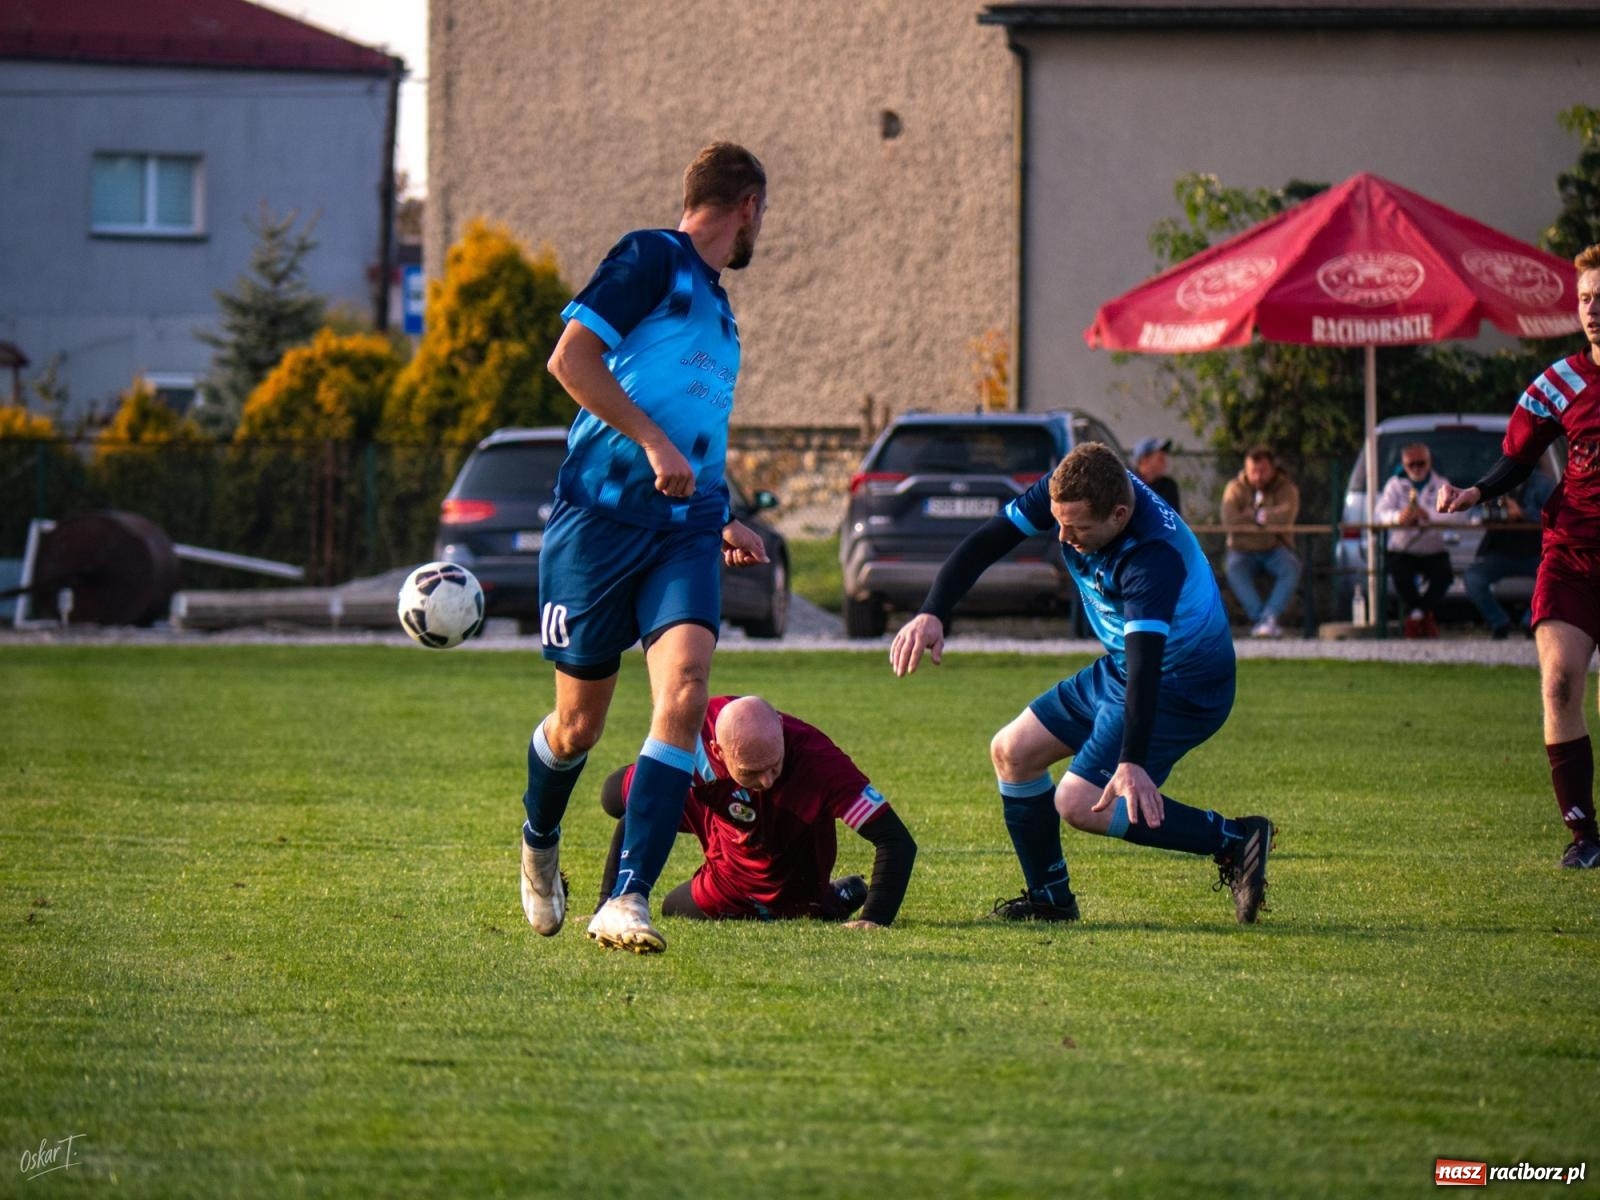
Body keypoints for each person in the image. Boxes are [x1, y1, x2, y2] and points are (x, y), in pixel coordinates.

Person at [518, 143, 772, 955]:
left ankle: (626, 899)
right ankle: (540, 838)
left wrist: (720, 507)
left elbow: (700, 424)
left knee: (688, 691)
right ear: (748, 206)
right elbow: (571, 359)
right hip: (596, 521)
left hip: (684, 530)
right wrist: (655, 445)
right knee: (577, 728)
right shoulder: (649, 255)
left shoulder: (722, 311)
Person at [889, 442, 1275, 925]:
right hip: (1123, 668)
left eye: (1078, 529)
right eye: (1058, 523)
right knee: (1012, 751)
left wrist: (1132, 761)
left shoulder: (1151, 557)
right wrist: (932, 611)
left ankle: (1236, 840)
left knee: (1079, 802)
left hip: (1183, 686)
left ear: (1118, 514)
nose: (1064, 536)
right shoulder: (1073, 485)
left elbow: (1148, 664)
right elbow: (988, 540)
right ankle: (1050, 899)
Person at [1438, 242, 1600, 869]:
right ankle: (1585, 837)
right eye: (1585, 298)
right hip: (1573, 555)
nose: (1592, 309)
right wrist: (1475, 490)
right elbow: (1519, 458)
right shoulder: (1560, 380)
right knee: (1559, 682)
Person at [595, 695, 917, 927]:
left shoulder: (818, 762)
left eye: (774, 765)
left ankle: (832, 900)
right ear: (717, 751)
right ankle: (614, 904)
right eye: (752, 771)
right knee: (615, 795)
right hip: (723, 822)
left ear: (780, 727)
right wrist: (606, 904)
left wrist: (874, 920)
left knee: (675, 908)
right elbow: (638, 808)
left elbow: (896, 841)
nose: (766, 779)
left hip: (774, 866)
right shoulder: (696, 733)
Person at [1375, 441, 1467, 638]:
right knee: (1400, 574)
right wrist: (1397, 517)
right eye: (1411, 465)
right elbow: (1380, 513)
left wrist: (1429, 516)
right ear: (1404, 464)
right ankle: (1423, 616)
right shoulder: (1395, 485)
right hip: (1403, 548)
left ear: (1429, 462)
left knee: (1444, 576)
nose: (1417, 468)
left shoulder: (1441, 484)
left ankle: (1416, 616)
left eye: (1421, 463)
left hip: (1432, 549)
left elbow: (1455, 515)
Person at [1220, 445, 1302, 638]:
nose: (1257, 476)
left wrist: (1252, 515)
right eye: (1252, 472)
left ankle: (1269, 616)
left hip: (1275, 548)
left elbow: (1286, 517)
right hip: (1242, 549)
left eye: (1262, 471)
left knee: (1291, 567)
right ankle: (1262, 619)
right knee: (1233, 567)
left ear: (1273, 469)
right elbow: (1229, 520)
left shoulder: (1287, 488)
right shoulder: (1234, 488)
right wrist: (1263, 517)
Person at [1464, 469, 1553, 639]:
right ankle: (1500, 623)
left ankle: (1531, 622)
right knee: (1473, 578)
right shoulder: (1492, 482)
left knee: (1555, 577)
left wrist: (1523, 514)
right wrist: (1489, 514)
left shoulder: (1543, 484)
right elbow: (1472, 513)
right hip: (1499, 553)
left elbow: (1555, 517)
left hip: (1535, 553)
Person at [1131, 436, 1182, 514]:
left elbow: (1174, 520)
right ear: (1144, 460)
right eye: (1160, 459)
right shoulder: (1129, 485)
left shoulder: (1169, 486)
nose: (1165, 463)